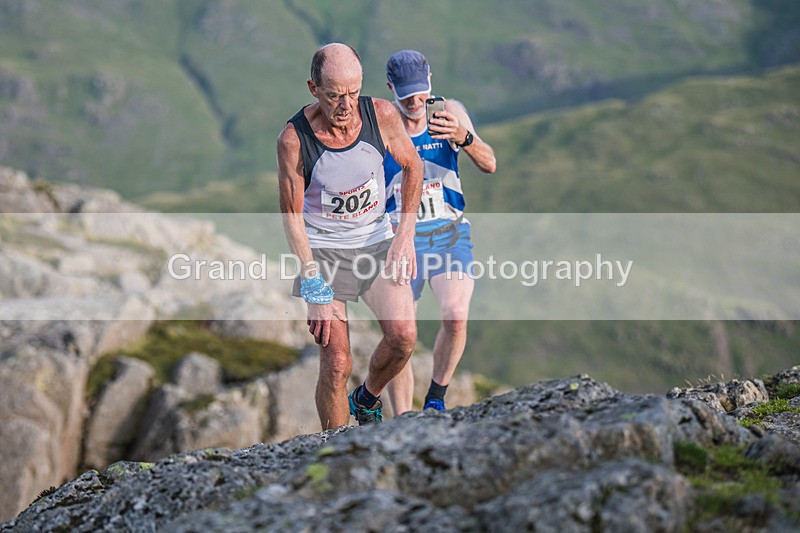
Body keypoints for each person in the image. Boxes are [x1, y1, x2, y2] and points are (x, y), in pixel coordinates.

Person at [277, 43, 424, 428]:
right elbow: (291, 217)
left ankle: (368, 397)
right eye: (334, 95)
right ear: (313, 88)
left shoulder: (382, 116)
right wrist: (313, 286)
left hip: (376, 240)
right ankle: (337, 452)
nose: (346, 105)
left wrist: (404, 235)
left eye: (354, 92)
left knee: (404, 337)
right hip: (325, 253)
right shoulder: (294, 140)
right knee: (337, 362)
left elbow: (413, 167)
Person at [383, 50, 496, 413]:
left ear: (430, 80)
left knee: (455, 315)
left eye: (420, 93)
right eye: (405, 96)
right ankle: (402, 416)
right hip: (400, 240)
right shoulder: (381, 122)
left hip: (449, 234)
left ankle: (435, 399)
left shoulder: (450, 112)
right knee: (401, 336)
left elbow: (489, 163)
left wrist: (464, 137)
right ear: (391, 90)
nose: (415, 102)